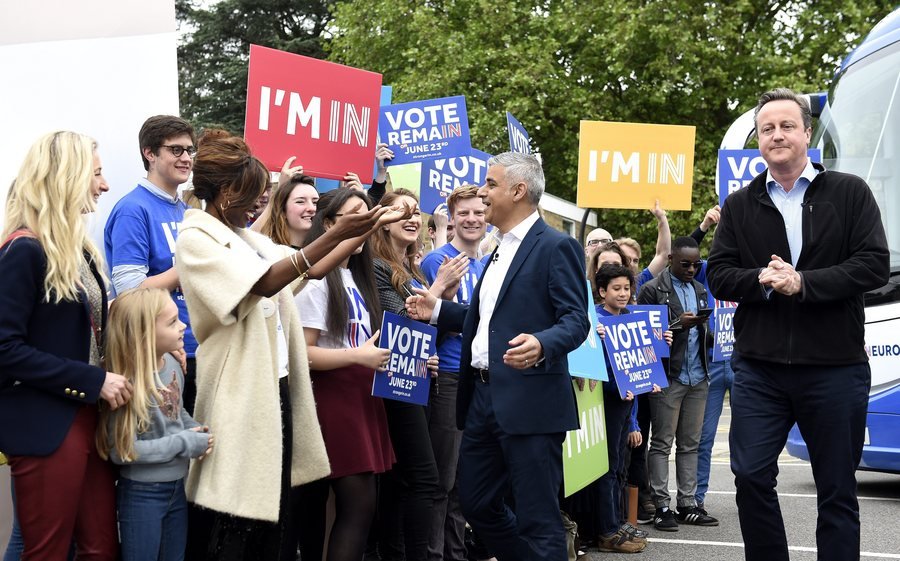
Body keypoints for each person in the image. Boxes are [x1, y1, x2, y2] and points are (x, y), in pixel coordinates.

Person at [174, 129, 402, 561]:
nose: (260, 202)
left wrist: (363, 228)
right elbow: (263, 282)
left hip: (274, 392)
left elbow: (309, 271)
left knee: (273, 520)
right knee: (234, 521)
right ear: (225, 192)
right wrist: (335, 233)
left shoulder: (249, 240)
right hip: (238, 394)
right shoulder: (196, 240)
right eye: (252, 193)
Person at [707, 88, 890, 561]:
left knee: (836, 487)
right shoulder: (740, 204)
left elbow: (872, 265)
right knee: (748, 475)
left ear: (807, 134)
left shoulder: (849, 192)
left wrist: (803, 282)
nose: (777, 135)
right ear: (758, 140)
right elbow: (720, 272)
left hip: (834, 367)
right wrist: (765, 281)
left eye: (787, 126)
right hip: (759, 369)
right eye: (767, 129)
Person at [406, 152, 590, 561]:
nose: (483, 192)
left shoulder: (556, 246)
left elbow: (577, 320)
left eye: (490, 184)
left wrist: (542, 343)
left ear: (518, 190)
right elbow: (484, 319)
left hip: (531, 402)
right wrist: (436, 310)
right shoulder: (496, 250)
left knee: (538, 517)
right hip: (482, 400)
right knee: (476, 503)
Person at [0, 131, 132, 560]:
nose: (105, 185)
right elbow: (5, 348)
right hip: (48, 424)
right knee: (48, 552)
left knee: (100, 549)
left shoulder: (81, 252)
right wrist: (92, 380)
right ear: (66, 177)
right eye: (96, 173)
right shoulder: (23, 250)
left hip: (88, 421)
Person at [294, 189, 395, 561]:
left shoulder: (355, 277)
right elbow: (302, 354)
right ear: (330, 224)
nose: (365, 223)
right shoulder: (316, 281)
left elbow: (363, 342)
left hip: (363, 396)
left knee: (352, 510)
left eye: (368, 216)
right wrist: (359, 356)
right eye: (356, 215)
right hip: (333, 400)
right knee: (356, 508)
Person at [370, 188, 464, 561]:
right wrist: (438, 291)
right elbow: (399, 324)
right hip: (395, 384)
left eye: (415, 212)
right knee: (424, 479)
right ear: (382, 221)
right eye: (400, 212)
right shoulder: (377, 265)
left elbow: (429, 329)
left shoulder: (412, 269)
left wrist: (443, 302)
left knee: (402, 481)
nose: (411, 218)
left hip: (421, 382)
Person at [97, 288, 213, 561]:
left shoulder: (172, 362)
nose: (184, 324)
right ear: (145, 334)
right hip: (142, 494)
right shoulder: (126, 383)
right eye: (172, 322)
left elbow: (176, 411)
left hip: (177, 487)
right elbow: (123, 451)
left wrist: (195, 429)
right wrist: (185, 442)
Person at [105, 115, 200, 412]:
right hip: (162, 356)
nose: (186, 158)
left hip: (199, 347)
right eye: (176, 150)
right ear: (149, 153)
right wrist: (189, 266)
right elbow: (130, 290)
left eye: (189, 150)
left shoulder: (185, 210)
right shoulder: (133, 209)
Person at [419, 185, 488, 561]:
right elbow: (425, 320)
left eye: (479, 212)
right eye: (464, 213)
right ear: (451, 217)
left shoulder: (484, 264)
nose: (473, 219)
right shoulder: (437, 262)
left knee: (464, 481)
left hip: (477, 378)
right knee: (442, 479)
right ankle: (433, 554)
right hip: (447, 376)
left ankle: (455, 554)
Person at [637, 236, 719, 531]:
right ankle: (661, 506)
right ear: (670, 258)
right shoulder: (650, 290)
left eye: (697, 264)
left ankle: (688, 504)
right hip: (668, 376)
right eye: (685, 263)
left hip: (698, 376)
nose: (692, 269)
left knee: (690, 444)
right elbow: (645, 336)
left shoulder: (700, 289)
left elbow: (705, 334)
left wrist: (714, 333)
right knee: (661, 443)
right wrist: (676, 326)